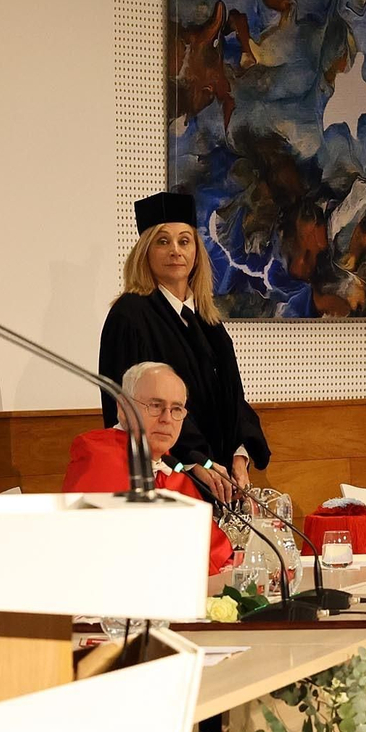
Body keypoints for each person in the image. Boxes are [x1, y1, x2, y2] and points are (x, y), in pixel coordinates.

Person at [98, 192, 270, 504]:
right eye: (163, 241)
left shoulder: (207, 319)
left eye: (184, 241)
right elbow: (135, 409)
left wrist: (239, 454)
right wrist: (195, 461)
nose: (175, 251)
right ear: (145, 251)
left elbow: (233, 398)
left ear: (196, 252)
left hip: (222, 480)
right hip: (169, 480)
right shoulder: (130, 316)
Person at [64, 361, 235, 574]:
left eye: (176, 409)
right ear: (123, 408)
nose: (167, 419)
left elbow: (216, 554)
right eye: (155, 406)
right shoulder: (98, 457)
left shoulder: (169, 466)